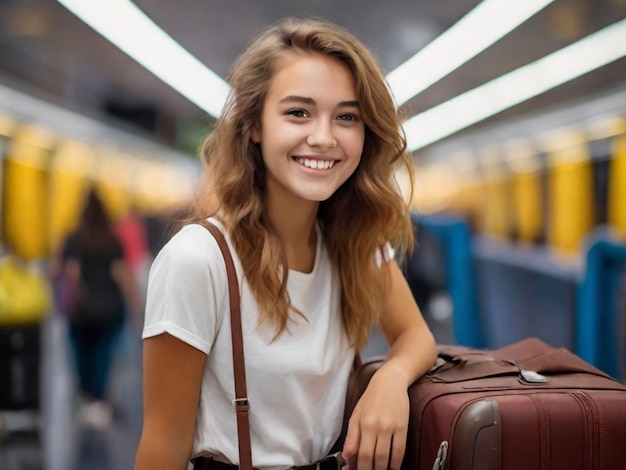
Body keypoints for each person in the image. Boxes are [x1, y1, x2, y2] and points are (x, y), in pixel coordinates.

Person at [134, 17, 437, 470]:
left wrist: (390, 379)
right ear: (254, 126)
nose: (323, 137)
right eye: (298, 112)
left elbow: (416, 336)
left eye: (347, 117)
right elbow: (162, 449)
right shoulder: (199, 260)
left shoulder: (357, 246)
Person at [52, 188, 140, 429]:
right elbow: (122, 274)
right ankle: (97, 400)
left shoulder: (73, 238)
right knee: (103, 355)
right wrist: (135, 304)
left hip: (80, 310)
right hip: (108, 309)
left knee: (82, 355)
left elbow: (60, 271)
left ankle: (85, 395)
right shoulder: (112, 239)